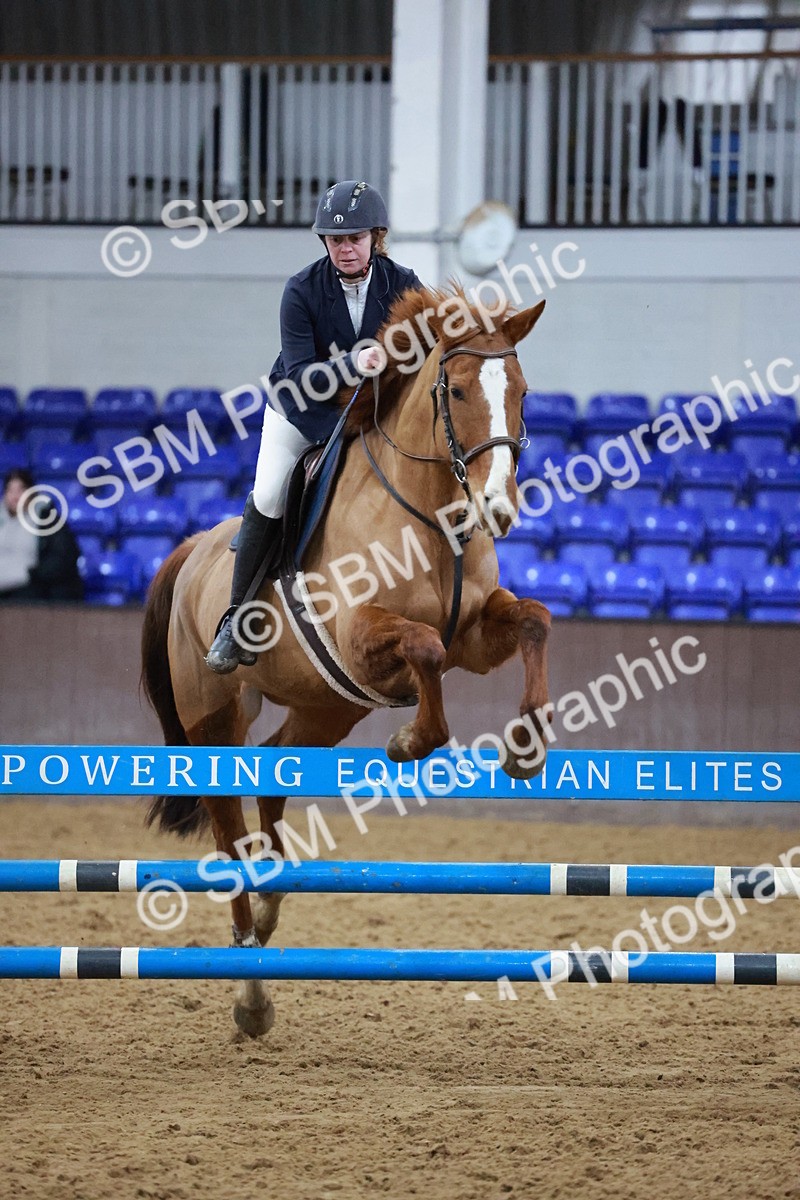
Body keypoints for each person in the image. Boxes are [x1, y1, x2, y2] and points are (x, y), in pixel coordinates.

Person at [206, 180, 422, 674]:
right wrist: (354, 362)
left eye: (355, 239)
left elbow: (427, 351)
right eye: (335, 240)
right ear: (324, 242)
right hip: (303, 413)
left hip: (369, 416)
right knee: (268, 495)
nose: (345, 248)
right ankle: (237, 619)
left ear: (375, 237)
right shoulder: (301, 290)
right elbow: (302, 376)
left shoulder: (404, 283)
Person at [0, 468, 83, 602]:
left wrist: (32, 574)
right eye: (10, 490)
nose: (15, 496)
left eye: (20, 490)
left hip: (34, 589)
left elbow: (63, 558)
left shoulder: (48, 520)